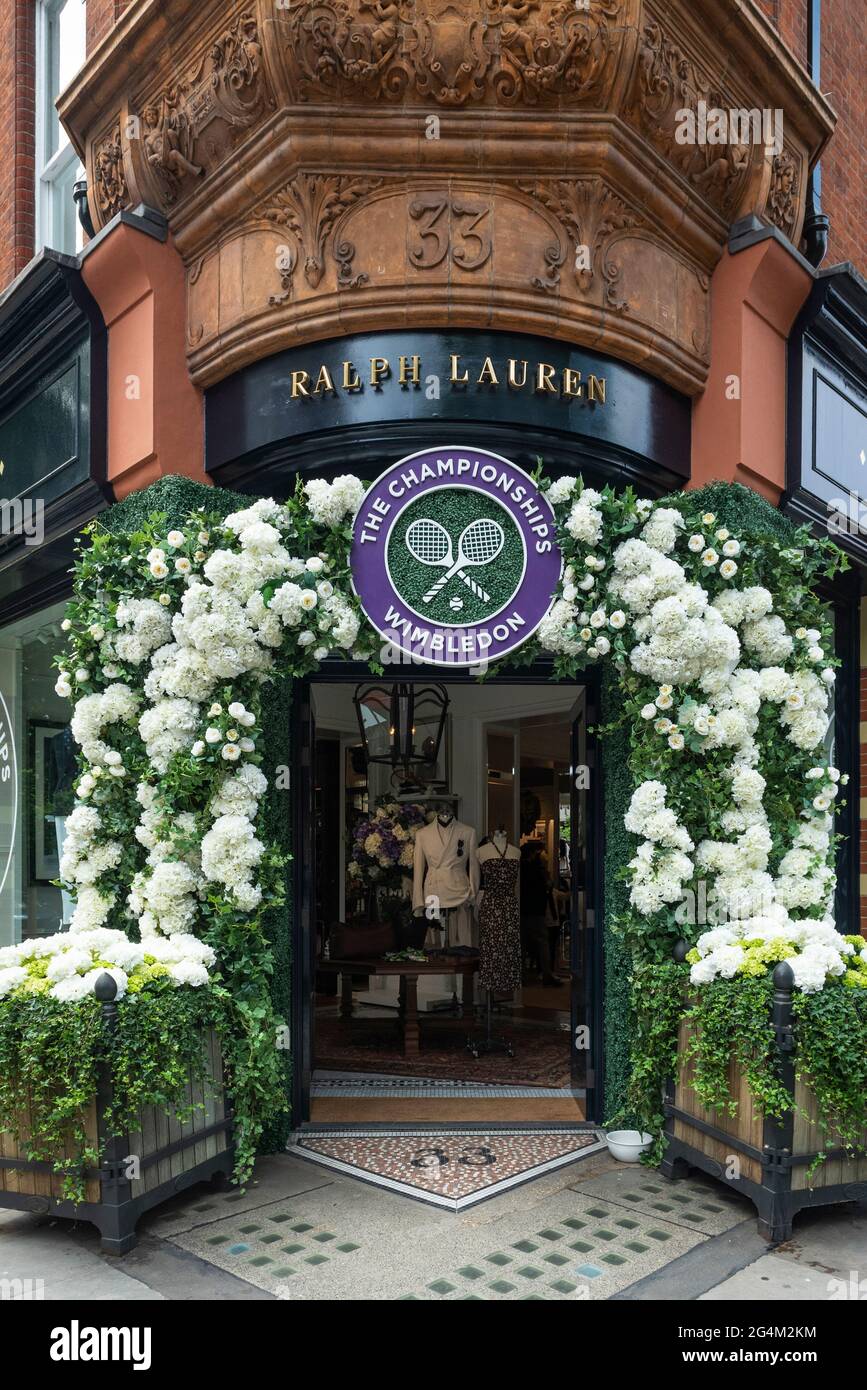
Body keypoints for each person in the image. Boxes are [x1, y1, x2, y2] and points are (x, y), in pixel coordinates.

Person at [520, 839, 562, 987]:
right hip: (537, 910)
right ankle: (547, 974)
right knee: (543, 941)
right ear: (536, 853)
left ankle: (522, 976)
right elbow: (548, 885)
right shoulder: (538, 869)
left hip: (522, 909)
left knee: (522, 943)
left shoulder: (520, 868)